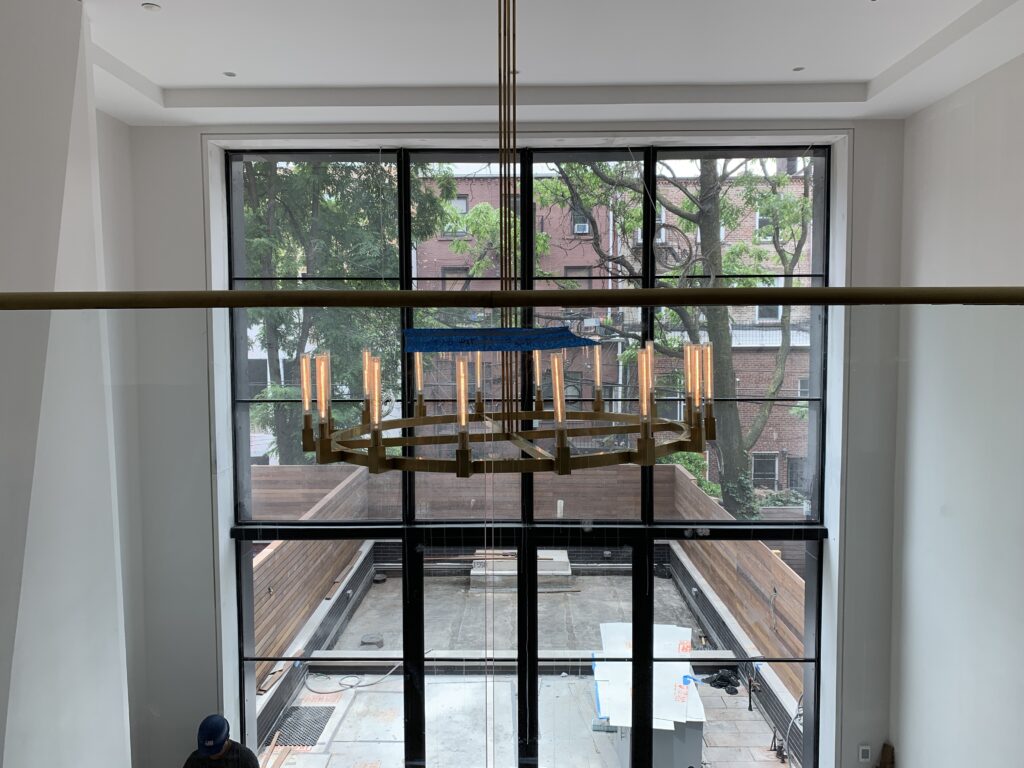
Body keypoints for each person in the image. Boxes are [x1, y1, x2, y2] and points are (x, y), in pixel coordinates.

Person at [182, 714, 260, 768]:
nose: (212, 755)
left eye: (216, 751)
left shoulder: (245, 760)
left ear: (227, 739)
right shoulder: (195, 760)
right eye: (208, 752)